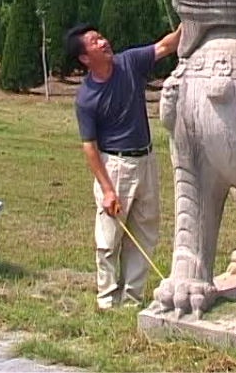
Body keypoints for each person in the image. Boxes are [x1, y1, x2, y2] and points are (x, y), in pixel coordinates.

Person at [64, 23, 182, 310]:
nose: (103, 42)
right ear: (84, 58)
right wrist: (107, 190)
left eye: (101, 37)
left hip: (146, 160)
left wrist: (187, 20)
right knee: (109, 238)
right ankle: (107, 299)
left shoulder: (128, 62)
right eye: (94, 41)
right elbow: (89, 146)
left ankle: (132, 298)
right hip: (115, 166)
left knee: (144, 231)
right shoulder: (87, 98)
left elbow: (165, 46)